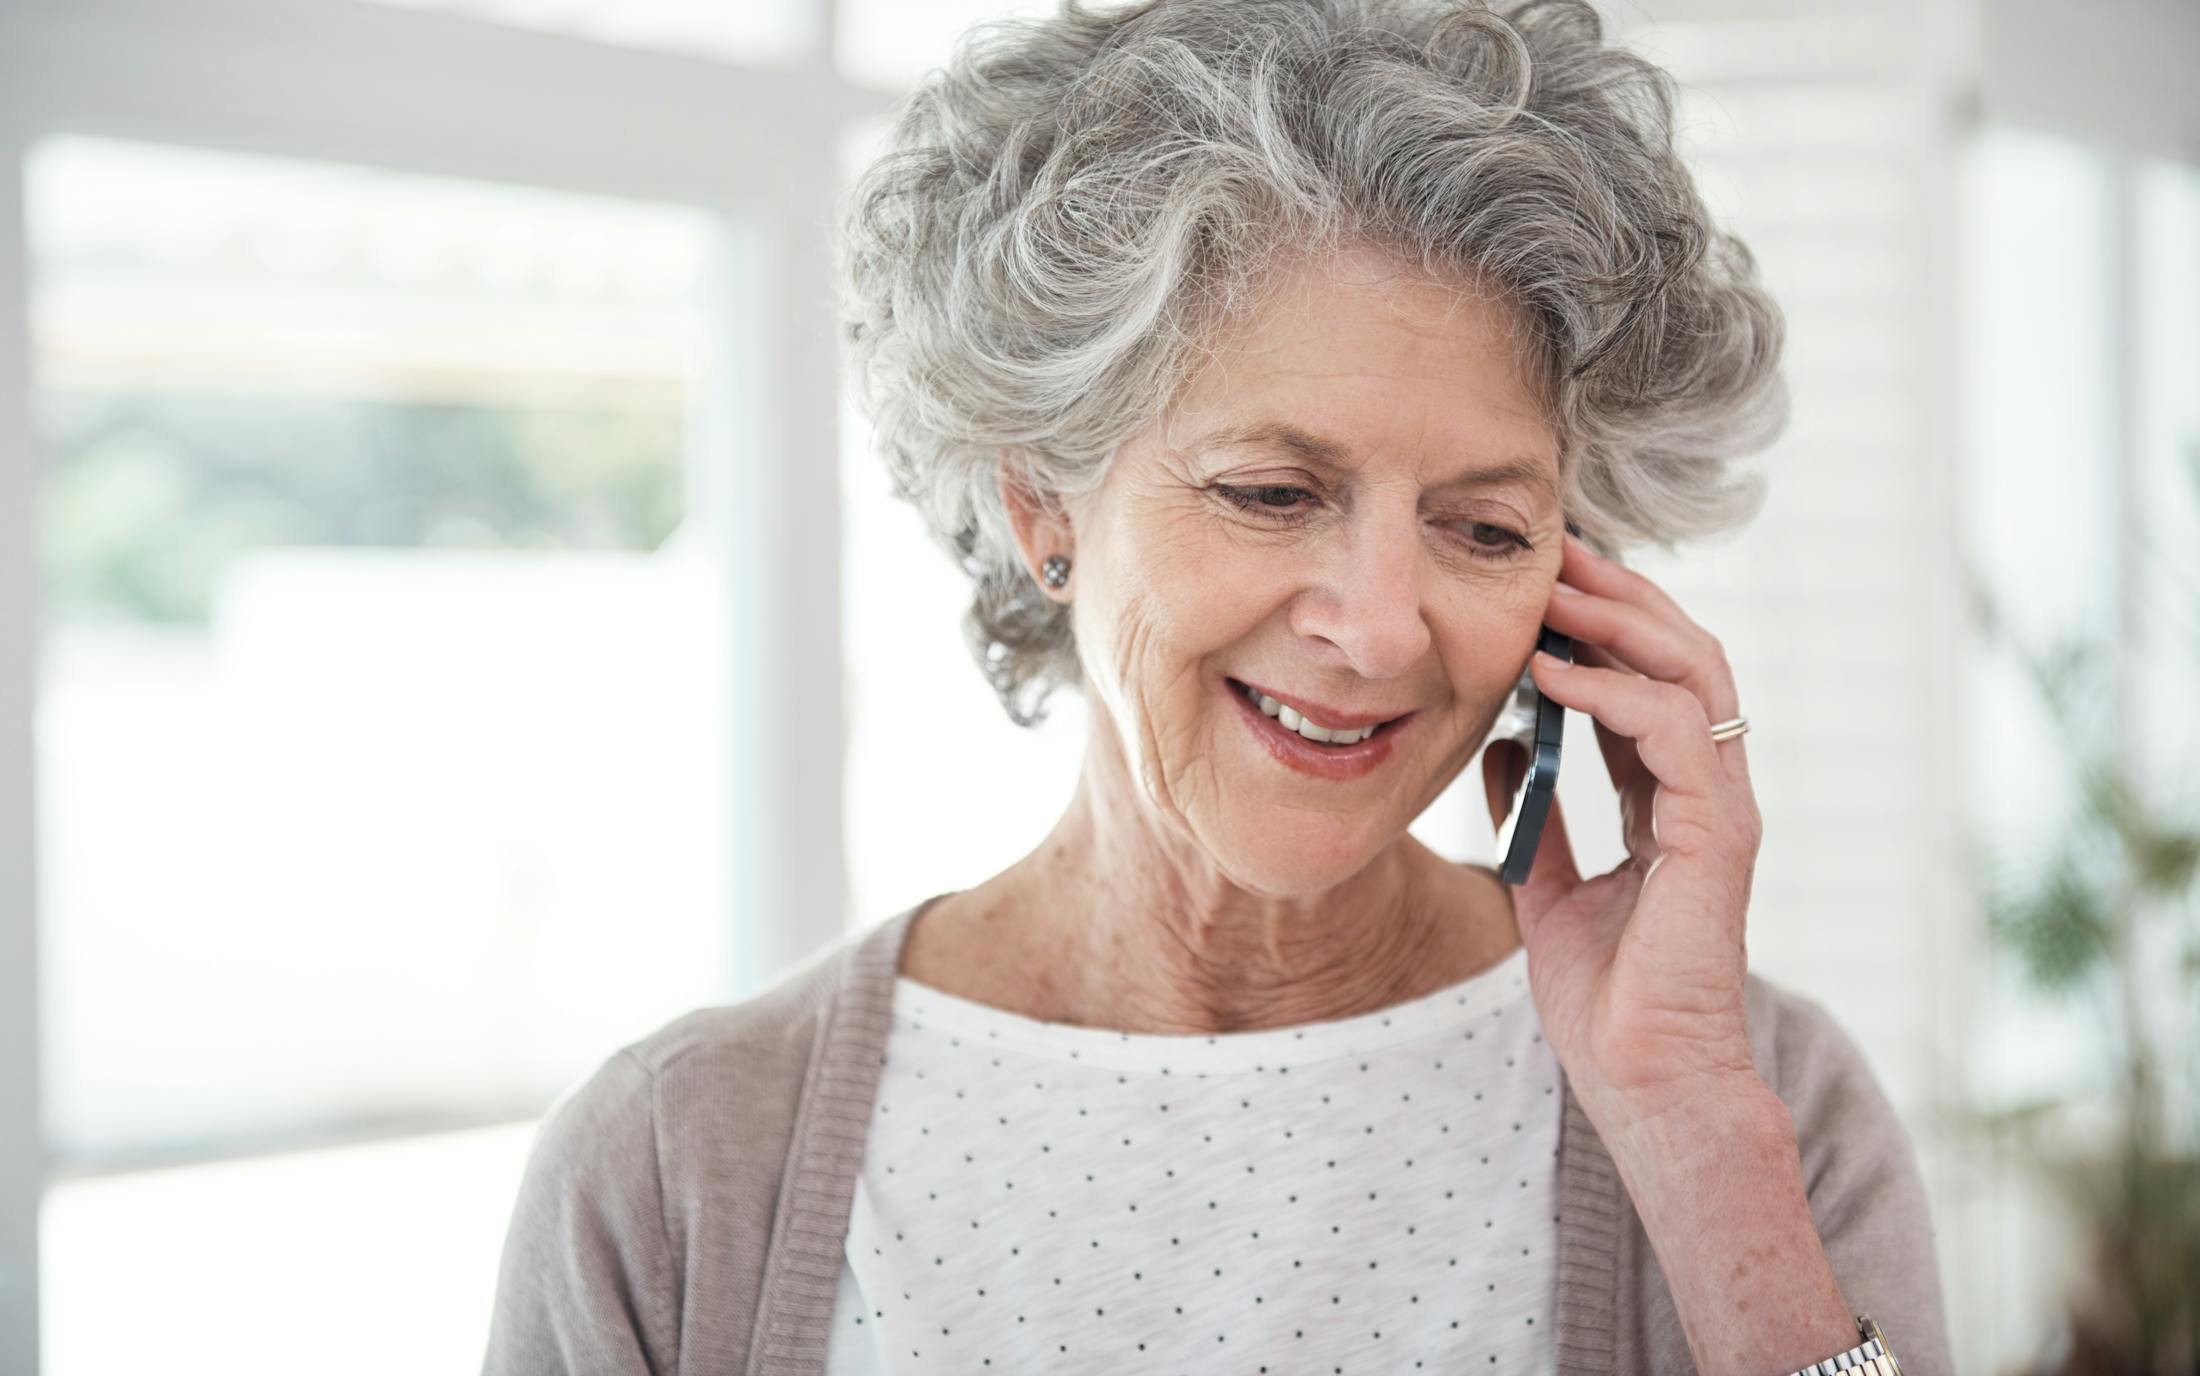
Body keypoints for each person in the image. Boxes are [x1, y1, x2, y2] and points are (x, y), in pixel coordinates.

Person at [481, 2, 1954, 1372]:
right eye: (1268, 491)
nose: (1382, 629)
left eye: (1488, 528)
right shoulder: (675, 1167)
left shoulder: (1762, 1108)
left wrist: (1696, 1143)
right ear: (1044, 507)